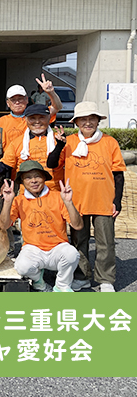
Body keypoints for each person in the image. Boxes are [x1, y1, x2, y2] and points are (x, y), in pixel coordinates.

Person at [46, 101, 126, 292]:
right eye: (83, 119)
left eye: (92, 119)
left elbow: (118, 174)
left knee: (105, 242)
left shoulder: (109, 142)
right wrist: (59, 144)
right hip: (76, 202)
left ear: (98, 121)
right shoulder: (70, 142)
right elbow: (52, 163)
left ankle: (105, 279)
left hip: (103, 200)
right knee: (78, 241)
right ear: (77, 122)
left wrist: (117, 201)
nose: (88, 123)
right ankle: (81, 277)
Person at [0, 161, 82, 292]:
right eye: (28, 177)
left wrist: (69, 202)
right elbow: (3, 226)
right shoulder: (18, 200)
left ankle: (62, 285)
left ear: (44, 178)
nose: (34, 181)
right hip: (33, 248)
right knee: (22, 267)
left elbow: (77, 225)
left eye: (37, 176)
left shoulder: (58, 197)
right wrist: (7, 202)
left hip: (57, 247)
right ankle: (39, 281)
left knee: (72, 255)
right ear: (22, 181)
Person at [0, 103, 64, 192]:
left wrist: (59, 145)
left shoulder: (59, 141)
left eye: (41, 117)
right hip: (26, 194)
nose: (37, 122)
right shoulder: (17, 142)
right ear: (26, 120)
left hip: (54, 193)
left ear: (49, 119)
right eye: (32, 118)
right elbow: (6, 165)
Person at [0, 75, 63, 146]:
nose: (17, 102)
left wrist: (51, 92)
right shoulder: (1, 121)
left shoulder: (36, 116)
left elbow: (57, 107)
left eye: (20, 99)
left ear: (27, 100)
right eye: (13, 100)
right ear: (8, 103)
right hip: (10, 156)